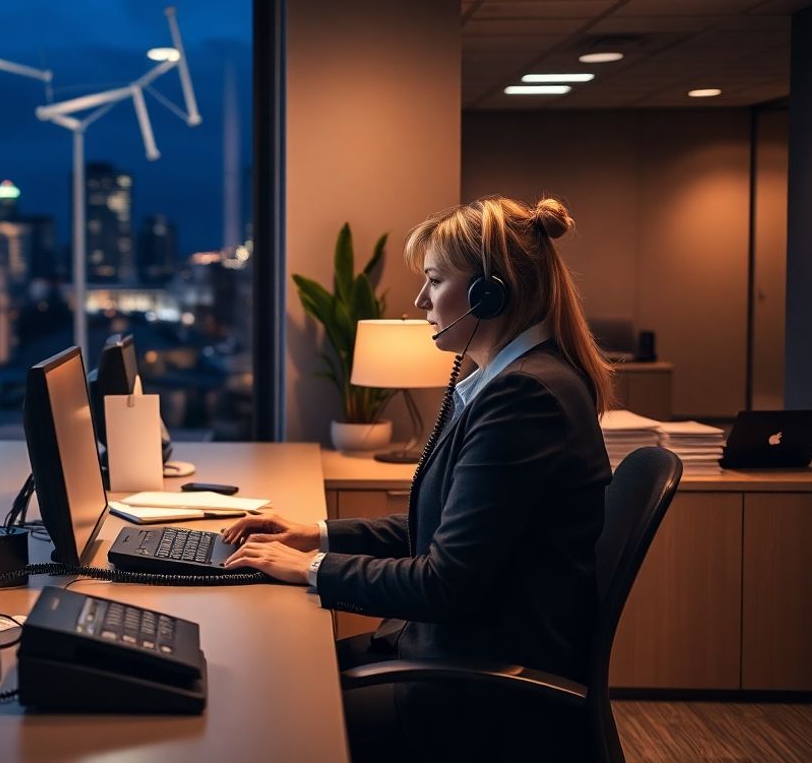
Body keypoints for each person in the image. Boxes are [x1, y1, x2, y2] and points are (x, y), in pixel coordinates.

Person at [223, 196, 613, 761]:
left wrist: (308, 568)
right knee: (272, 670)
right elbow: (444, 529)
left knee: (270, 712)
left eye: (434, 280)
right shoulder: (508, 383)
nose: (420, 300)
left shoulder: (525, 397)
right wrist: (316, 535)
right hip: (454, 653)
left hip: (476, 692)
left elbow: (443, 583)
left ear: (488, 293)